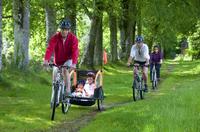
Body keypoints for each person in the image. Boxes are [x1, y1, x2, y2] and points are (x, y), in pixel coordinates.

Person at [43, 19, 79, 97]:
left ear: (69, 30)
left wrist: (74, 64)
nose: (64, 31)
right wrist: (46, 60)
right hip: (58, 60)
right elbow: (50, 49)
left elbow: (75, 51)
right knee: (54, 78)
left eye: (66, 29)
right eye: (62, 29)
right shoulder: (55, 37)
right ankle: (54, 97)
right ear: (60, 29)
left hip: (68, 59)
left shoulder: (73, 39)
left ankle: (68, 91)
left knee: (65, 70)